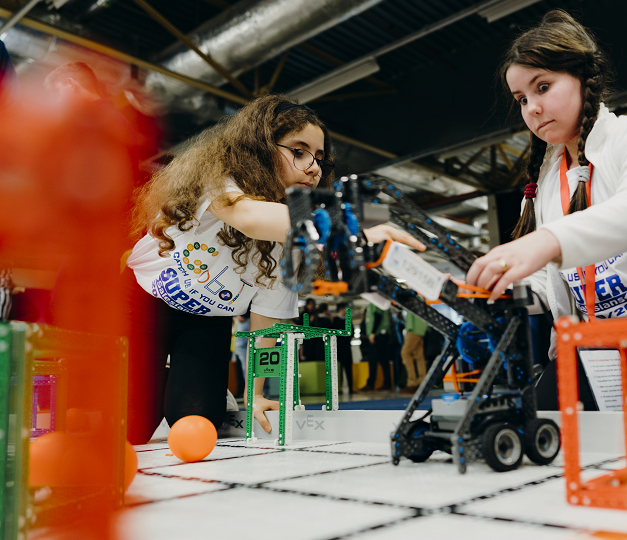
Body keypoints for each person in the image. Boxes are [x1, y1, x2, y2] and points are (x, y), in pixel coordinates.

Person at [126, 94, 424, 443]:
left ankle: (178, 375)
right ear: (260, 147)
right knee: (134, 427)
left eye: (319, 159)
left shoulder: (291, 238)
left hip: (206, 319)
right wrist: (349, 229)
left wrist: (255, 393)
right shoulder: (219, 179)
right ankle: (148, 371)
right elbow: (250, 218)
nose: (313, 167)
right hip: (147, 301)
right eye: (299, 152)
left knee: (199, 418)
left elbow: (266, 318)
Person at [466, 11, 627, 347]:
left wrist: (544, 242)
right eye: (522, 99)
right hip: (597, 349)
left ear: (582, 77)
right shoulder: (544, 183)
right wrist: (495, 290)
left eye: (542, 87)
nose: (531, 108)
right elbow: (548, 283)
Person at [362, 303, 393, 391]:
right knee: (382, 359)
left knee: (374, 359)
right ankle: (385, 383)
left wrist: (372, 333)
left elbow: (377, 316)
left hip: (378, 334)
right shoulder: (377, 301)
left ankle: (372, 384)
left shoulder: (375, 302)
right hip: (380, 334)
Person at [400, 311, 427, 392]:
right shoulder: (422, 300)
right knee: (419, 356)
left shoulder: (412, 299)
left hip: (413, 329)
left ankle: (412, 383)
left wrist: (409, 329)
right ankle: (422, 382)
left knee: (405, 353)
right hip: (420, 329)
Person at [333, 302, 354, 394]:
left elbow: (352, 333)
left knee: (349, 368)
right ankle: (339, 388)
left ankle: (351, 388)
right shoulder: (335, 320)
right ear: (340, 309)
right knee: (339, 369)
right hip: (338, 348)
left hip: (347, 347)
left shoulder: (348, 320)